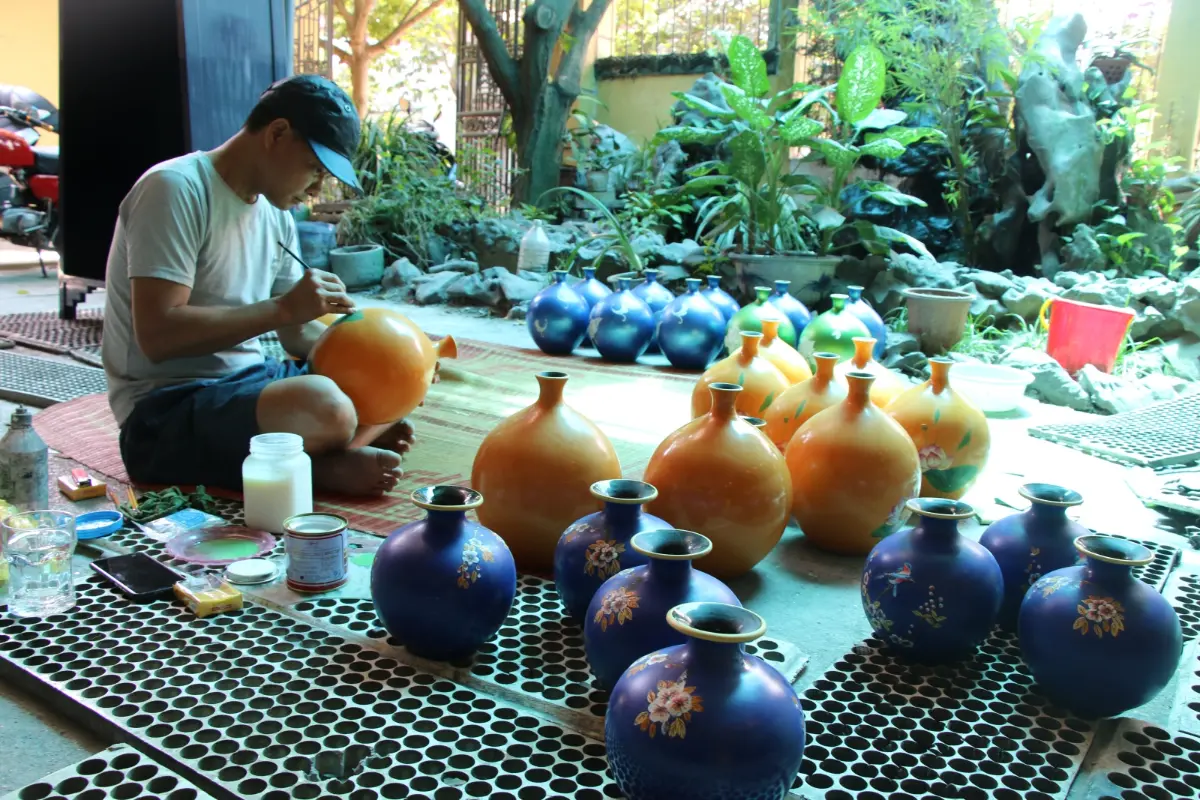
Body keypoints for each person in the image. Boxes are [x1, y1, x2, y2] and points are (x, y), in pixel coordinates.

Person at [102, 75, 411, 497]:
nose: (317, 189)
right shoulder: (175, 189)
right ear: (278, 133)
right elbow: (158, 335)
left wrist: (376, 354)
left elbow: (297, 332)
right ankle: (325, 464)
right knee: (327, 405)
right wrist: (283, 308)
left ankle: (321, 453)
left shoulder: (276, 215)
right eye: (315, 170)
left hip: (251, 385)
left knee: (396, 377)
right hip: (165, 412)